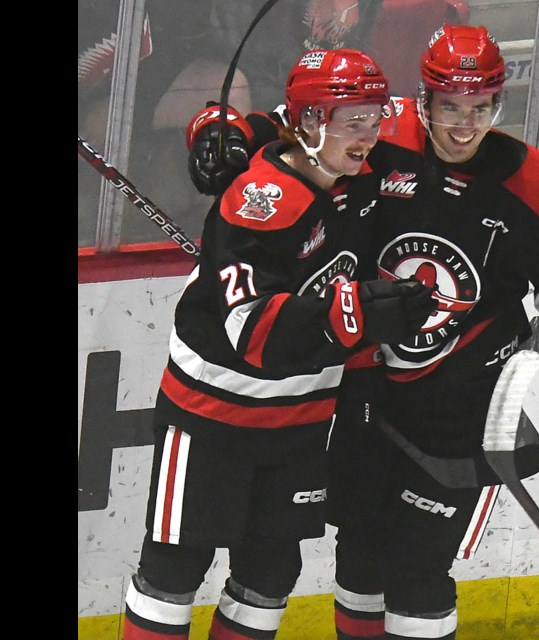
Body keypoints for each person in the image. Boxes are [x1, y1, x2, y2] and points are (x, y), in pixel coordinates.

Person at [184, 23, 539, 640]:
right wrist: (223, 133)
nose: (464, 125)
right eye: (449, 106)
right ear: (423, 99)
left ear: (498, 104)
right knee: (359, 561)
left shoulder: (531, 181)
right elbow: (288, 123)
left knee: (418, 573)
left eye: (480, 108)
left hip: (458, 406)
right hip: (365, 394)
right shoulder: (379, 130)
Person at [121, 48, 437, 640]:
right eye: (356, 120)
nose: (371, 133)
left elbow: (437, 125)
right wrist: (357, 316)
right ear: (313, 123)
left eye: (374, 117)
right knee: (175, 566)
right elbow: (253, 334)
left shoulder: (358, 164)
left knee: (271, 571)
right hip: (213, 412)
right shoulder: (260, 201)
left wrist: (226, 125)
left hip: (304, 415)